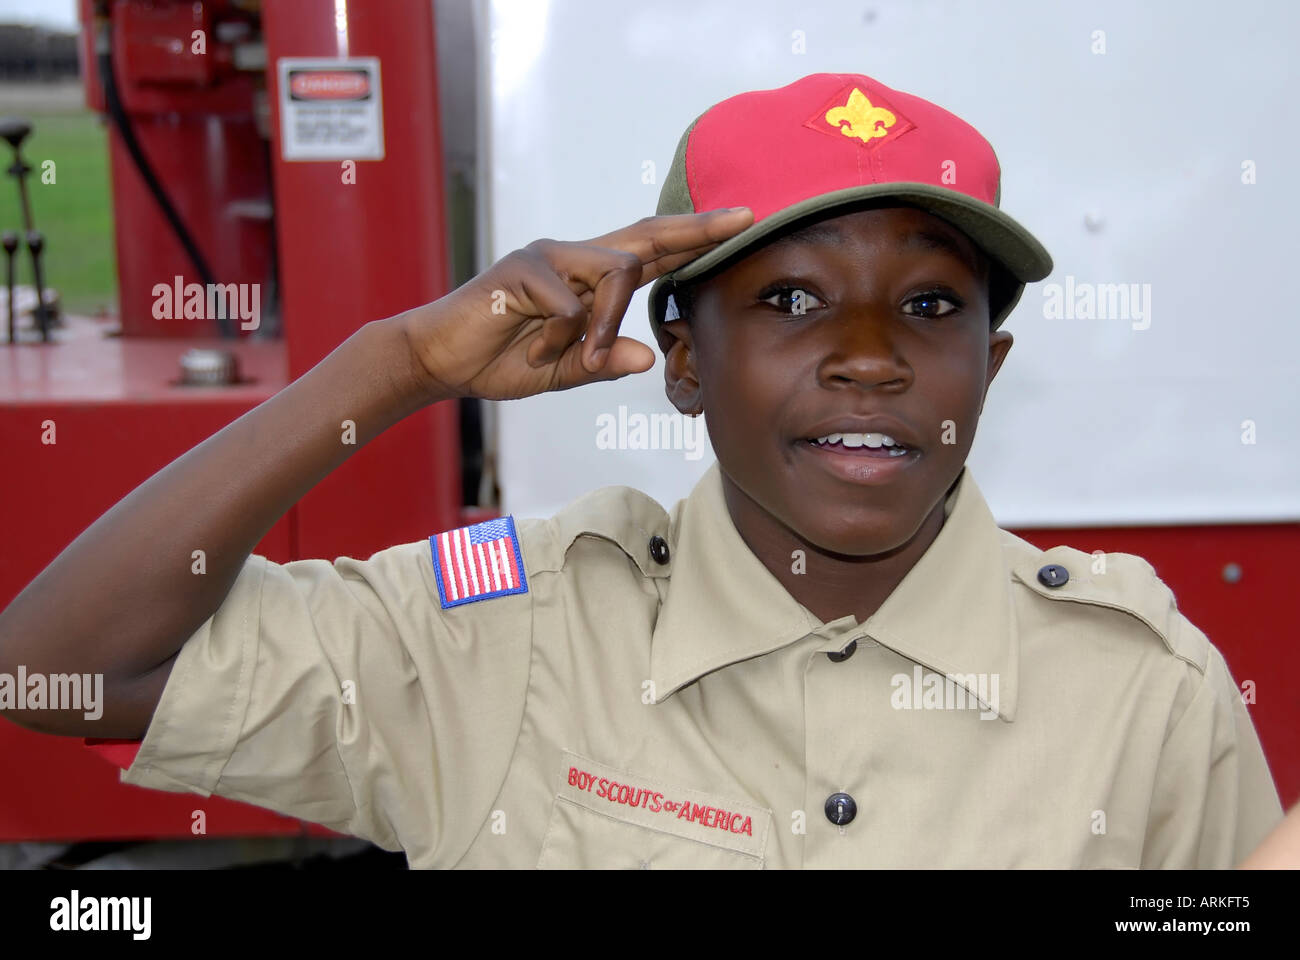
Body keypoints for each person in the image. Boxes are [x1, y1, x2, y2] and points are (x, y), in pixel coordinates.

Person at [0, 72, 1283, 868]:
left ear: (992, 367)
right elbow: (54, 671)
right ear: (679, 359)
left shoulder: (1140, 692)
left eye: (931, 310)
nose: (869, 360)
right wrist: (393, 366)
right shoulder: (505, 635)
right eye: (790, 298)